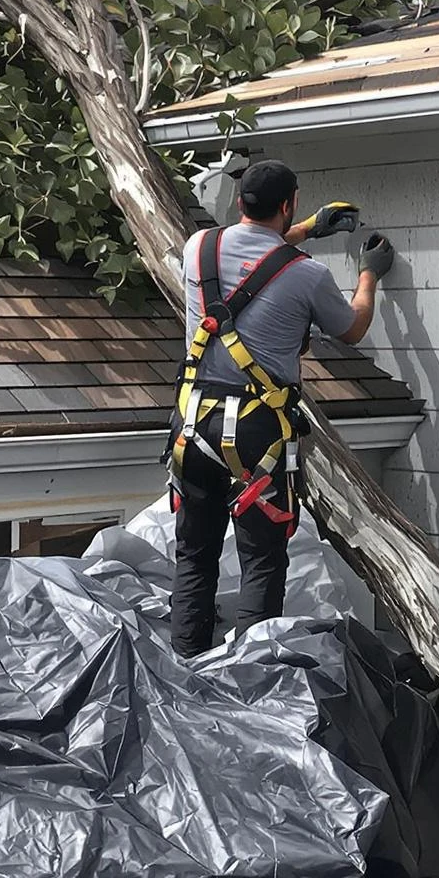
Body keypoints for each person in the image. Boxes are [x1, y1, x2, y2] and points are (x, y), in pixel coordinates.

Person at [168, 159, 395, 657]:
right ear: (288, 203)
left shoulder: (196, 248)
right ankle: (252, 682)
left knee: (195, 559)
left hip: (195, 423)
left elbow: (253, 252)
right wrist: (368, 276)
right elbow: (352, 328)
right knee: (262, 564)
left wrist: (308, 228)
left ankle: (182, 673)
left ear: (239, 202)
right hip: (256, 435)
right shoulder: (308, 276)